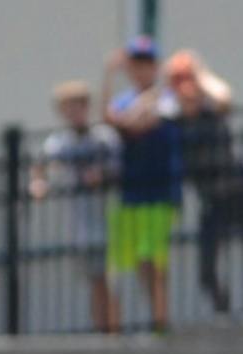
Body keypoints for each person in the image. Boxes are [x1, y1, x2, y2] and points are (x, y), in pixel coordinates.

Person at [102, 36, 184, 333]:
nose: (140, 70)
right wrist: (109, 74)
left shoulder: (168, 99)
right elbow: (111, 118)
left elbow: (136, 124)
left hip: (158, 194)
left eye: (146, 63)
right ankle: (115, 333)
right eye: (134, 64)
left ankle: (160, 326)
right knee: (123, 266)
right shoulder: (126, 98)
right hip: (129, 194)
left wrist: (141, 104)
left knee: (154, 262)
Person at [29, 80, 121, 333]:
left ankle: (113, 332)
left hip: (108, 220)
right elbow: (40, 165)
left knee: (109, 280)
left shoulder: (103, 138)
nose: (71, 113)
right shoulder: (60, 143)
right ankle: (100, 330)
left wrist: (101, 175)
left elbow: (119, 168)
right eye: (66, 108)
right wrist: (39, 183)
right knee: (94, 280)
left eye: (76, 106)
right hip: (81, 224)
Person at [165, 50, 242, 315]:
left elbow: (223, 96)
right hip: (211, 201)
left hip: (237, 192)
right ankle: (224, 309)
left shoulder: (212, 111)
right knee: (206, 271)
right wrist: (168, 84)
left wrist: (198, 71)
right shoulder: (174, 122)